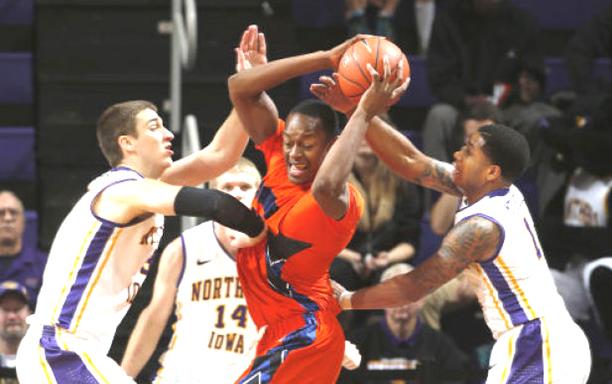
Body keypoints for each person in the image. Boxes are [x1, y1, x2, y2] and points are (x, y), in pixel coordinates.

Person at [15, 36, 269, 382]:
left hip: (83, 352)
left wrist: (248, 90)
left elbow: (219, 156)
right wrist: (263, 233)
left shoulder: (152, 186)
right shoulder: (121, 191)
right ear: (127, 144)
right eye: (154, 127)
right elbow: (214, 202)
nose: (167, 133)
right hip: (60, 349)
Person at [311, 73, 591, 383]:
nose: (457, 154)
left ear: (491, 171)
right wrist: (358, 111)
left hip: (537, 342)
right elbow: (412, 162)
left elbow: (413, 287)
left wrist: (347, 299)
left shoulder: (481, 227)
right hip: (536, 340)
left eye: (469, 151)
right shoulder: (496, 189)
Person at [228, 25, 408, 383]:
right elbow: (239, 88)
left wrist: (363, 113)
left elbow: (327, 185)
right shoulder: (281, 159)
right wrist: (326, 58)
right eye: (290, 141)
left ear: (331, 145)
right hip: (280, 330)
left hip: (305, 332)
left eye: (307, 144)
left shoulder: (341, 201)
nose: (293, 153)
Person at [120, 158, 262, 383]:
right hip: (183, 376)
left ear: (259, 194)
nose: (236, 194)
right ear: (214, 195)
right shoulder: (183, 248)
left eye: (245, 187)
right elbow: (154, 318)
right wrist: (122, 377)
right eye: (227, 188)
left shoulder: (275, 252)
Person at [338, 263, 471, 384]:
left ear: (422, 299)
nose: (401, 303)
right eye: (393, 295)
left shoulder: (442, 348)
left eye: (409, 294)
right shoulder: (355, 346)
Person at [0, 191, 47, 307]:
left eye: (13, 213)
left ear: (23, 222)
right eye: (1, 213)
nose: (7, 218)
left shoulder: (44, 265)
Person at [0, 281, 30, 384]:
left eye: (17, 309)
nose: (12, 316)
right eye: (5, 309)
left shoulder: (44, 360)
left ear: (29, 313)